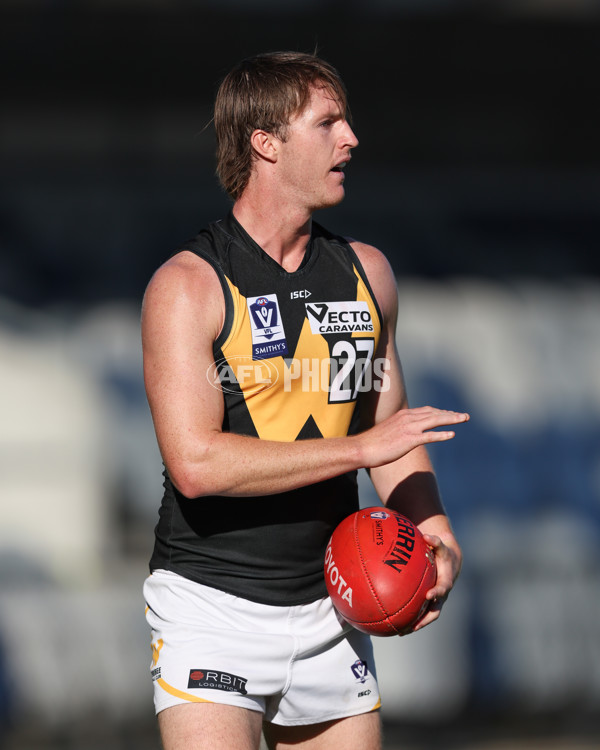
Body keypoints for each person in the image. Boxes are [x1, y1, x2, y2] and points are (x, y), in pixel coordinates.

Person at [141, 51, 468, 750]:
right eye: (328, 123)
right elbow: (197, 464)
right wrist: (356, 451)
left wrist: (433, 531)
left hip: (331, 609)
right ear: (266, 143)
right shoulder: (189, 286)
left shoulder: (367, 274)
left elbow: (391, 426)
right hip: (212, 607)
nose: (351, 138)